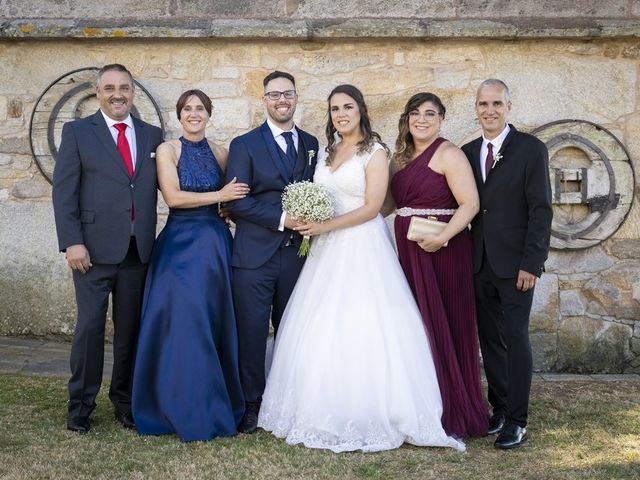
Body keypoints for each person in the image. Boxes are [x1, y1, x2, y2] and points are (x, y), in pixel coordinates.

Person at [257, 84, 464, 453]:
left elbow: (372, 207)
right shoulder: (325, 151)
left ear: (361, 110)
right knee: (321, 324)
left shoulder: (376, 152)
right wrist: (311, 217)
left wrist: (324, 227)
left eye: (348, 107)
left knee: (366, 322)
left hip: (362, 246)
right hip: (325, 251)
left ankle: (375, 407)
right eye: (335, 108)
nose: (341, 114)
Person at [131, 90, 248, 441]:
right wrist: (220, 197)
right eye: (187, 109)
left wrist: (228, 208)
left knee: (213, 322)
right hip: (179, 246)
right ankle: (175, 404)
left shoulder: (222, 152)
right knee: (183, 323)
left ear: (209, 114)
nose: (194, 114)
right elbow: (173, 197)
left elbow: (237, 196)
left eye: (200, 109)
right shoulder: (168, 150)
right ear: (179, 114)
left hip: (215, 246)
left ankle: (216, 402)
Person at [52, 64, 163, 433]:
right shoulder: (79, 132)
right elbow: (64, 191)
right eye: (110, 88)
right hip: (92, 252)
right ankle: (80, 407)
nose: (118, 94)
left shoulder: (152, 135)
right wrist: (72, 242)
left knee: (129, 332)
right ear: (97, 92)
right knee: (89, 330)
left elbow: (169, 185)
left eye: (125, 88)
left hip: (137, 252)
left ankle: (124, 402)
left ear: (133, 93)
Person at [389, 92, 489, 438]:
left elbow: (470, 203)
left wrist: (443, 236)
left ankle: (456, 407)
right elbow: (383, 204)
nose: (422, 120)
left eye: (430, 114)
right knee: (418, 326)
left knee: (447, 322)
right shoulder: (400, 157)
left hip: (444, 249)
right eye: (415, 113)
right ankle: (425, 402)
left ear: (441, 119)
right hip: (410, 250)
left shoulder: (449, 153)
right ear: (407, 118)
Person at [225, 71, 319, 434]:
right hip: (253, 256)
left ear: (296, 98)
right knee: (250, 332)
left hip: (298, 256)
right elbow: (237, 203)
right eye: (274, 94)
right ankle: (251, 404)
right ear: (264, 100)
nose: (282, 100)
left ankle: (289, 401)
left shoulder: (311, 143)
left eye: (288, 94)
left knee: (294, 331)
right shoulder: (244, 144)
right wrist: (284, 218)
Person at [461, 79, 552, 449]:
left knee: (515, 340)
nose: (489, 110)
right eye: (483, 104)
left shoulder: (530, 149)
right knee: (490, 342)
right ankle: (498, 409)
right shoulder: (467, 152)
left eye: (496, 103)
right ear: (476, 108)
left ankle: (518, 419)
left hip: (517, 267)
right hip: (479, 262)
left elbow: (541, 210)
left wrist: (532, 262)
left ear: (509, 107)